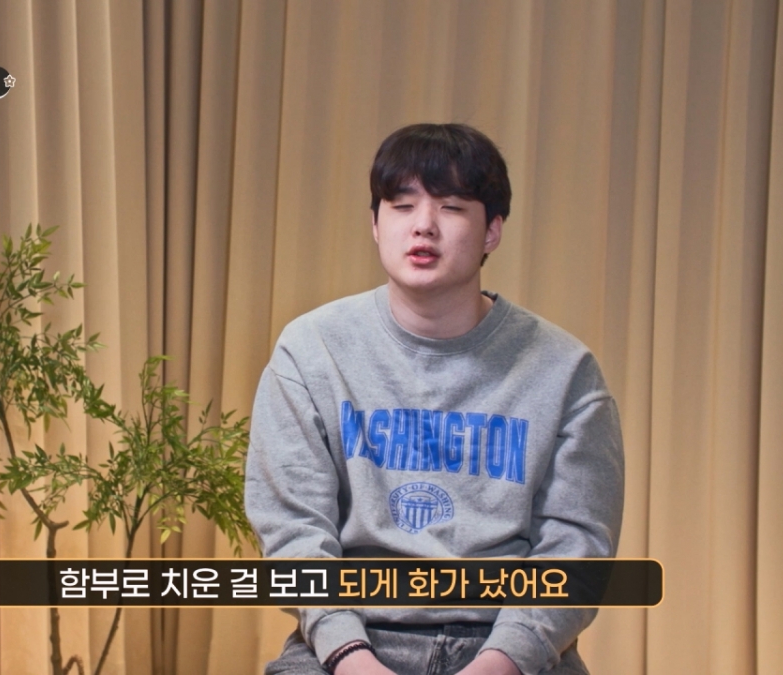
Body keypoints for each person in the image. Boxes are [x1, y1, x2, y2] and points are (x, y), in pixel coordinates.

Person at [244, 123, 624, 675]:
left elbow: (577, 547)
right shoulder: (311, 350)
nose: (423, 225)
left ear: (492, 231)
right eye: (401, 206)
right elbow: (292, 529)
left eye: (451, 207)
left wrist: (503, 659)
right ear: (375, 224)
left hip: (507, 644)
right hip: (351, 639)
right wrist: (350, 655)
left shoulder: (565, 371)